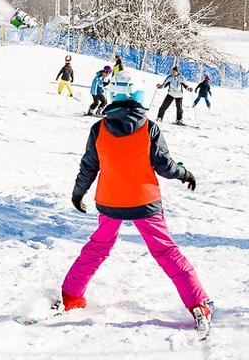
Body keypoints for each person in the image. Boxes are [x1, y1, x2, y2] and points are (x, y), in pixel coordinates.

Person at [61, 74, 212, 330]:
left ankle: (71, 295)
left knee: (98, 247)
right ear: (138, 97)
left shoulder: (98, 128)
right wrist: (184, 173)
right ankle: (198, 303)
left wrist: (78, 192)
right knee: (166, 251)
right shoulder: (148, 127)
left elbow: (89, 166)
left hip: (110, 200)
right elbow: (164, 166)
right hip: (145, 201)